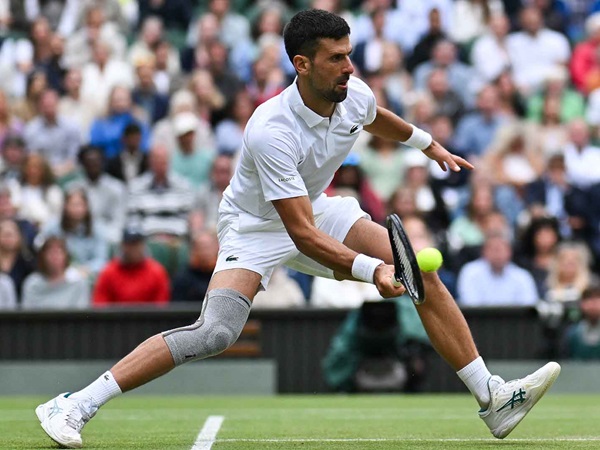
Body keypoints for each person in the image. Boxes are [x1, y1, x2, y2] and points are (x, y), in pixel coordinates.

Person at [36, 10, 560, 448]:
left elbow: (376, 117)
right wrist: (371, 269)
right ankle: (74, 404)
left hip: (314, 205)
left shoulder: (350, 91)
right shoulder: (270, 131)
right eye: (337, 58)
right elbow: (300, 235)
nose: (349, 67)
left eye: (350, 54)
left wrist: (429, 145)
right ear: (301, 64)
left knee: (422, 274)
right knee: (215, 332)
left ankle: (491, 398)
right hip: (255, 226)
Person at [92, 225, 170, 306]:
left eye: (137, 244)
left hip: (148, 318)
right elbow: (100, 306)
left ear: (143, 245)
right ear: (122, 245)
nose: (133, 249)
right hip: (116, 318)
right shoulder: (108, 272)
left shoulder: (157, 272)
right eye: (129, 244)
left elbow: (161, 307)